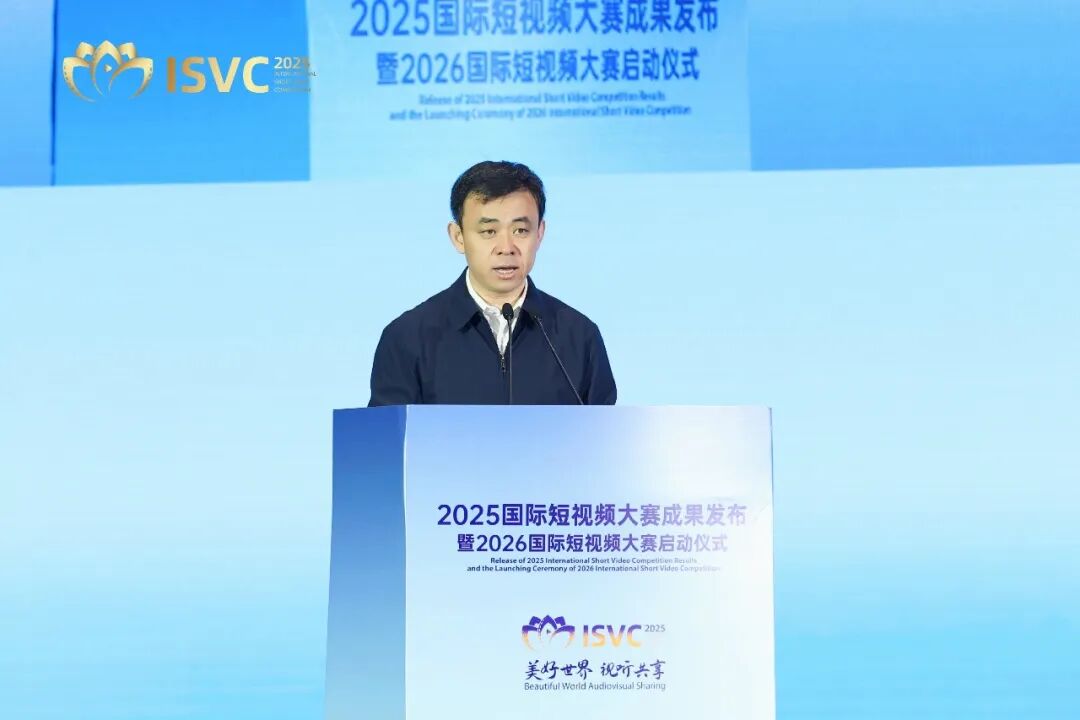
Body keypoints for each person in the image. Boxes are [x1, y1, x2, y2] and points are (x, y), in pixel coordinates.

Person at [368, 160, 617, 406]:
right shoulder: (408, 337)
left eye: (521, 230)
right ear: (458, 237)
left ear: (540, 233)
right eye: (489, 232)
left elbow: (606, 431)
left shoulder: (579, 336)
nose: (506, 248)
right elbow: (384, 431)